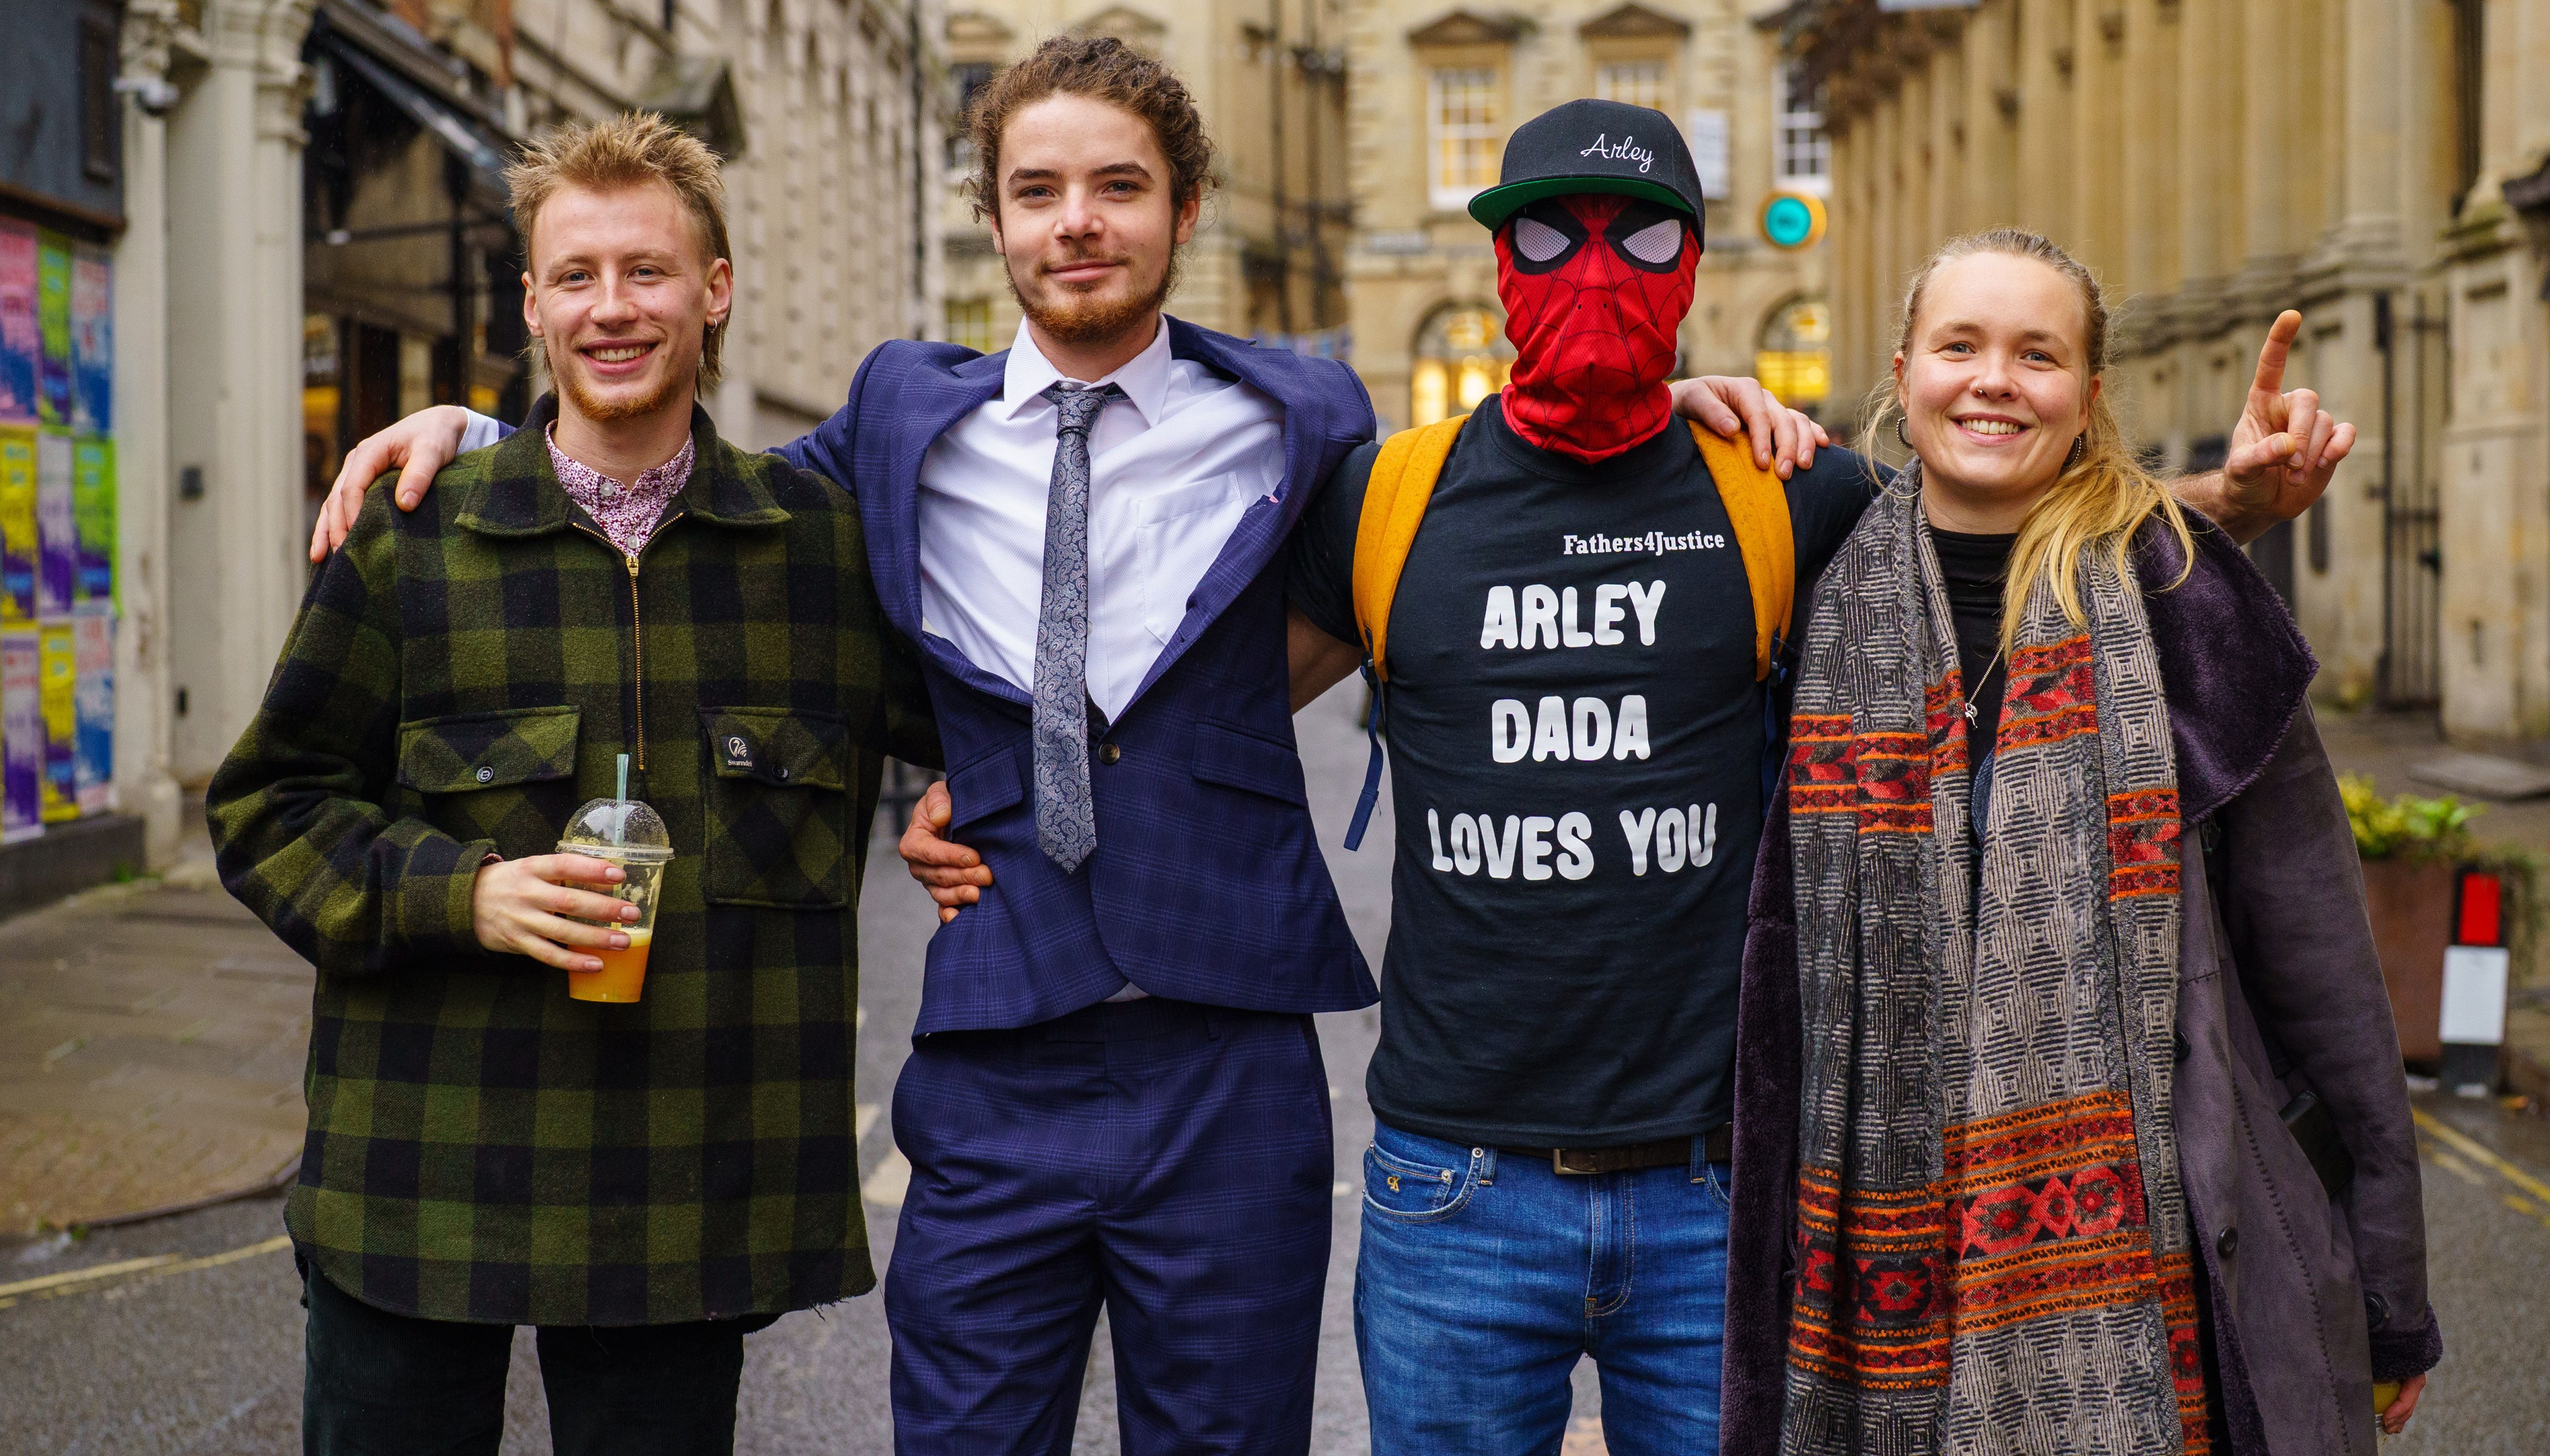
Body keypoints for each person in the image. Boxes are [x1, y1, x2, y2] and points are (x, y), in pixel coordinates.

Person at [303, 45, 1821, 1455]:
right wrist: (486, 430)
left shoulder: (1302, 416)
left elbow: (1511, 473)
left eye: (1116, 188)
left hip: (1229, 1051)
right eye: (1037, 192)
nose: (1076, 225)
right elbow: (688, 479)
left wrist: (1675, 406)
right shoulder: (900, 415)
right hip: (993, 1048)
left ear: (1182, 210)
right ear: (995, 220)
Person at [920, 100, 2356, 1454]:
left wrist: (2225, 504)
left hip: (1714, 1187)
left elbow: (2004, 537)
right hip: (1452, 1190)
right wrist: (968, 780)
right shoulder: (1383, 497)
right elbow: (1176, 713)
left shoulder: (1788, 494)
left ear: (1693, 264)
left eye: (1640, 234)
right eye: (1549, 233)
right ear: (1497, 262)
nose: (1591, 271)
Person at [207, 114, 932, 1455]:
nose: (614, 308)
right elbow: (270, 811)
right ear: (532, 301)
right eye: (578, 276)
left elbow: (991, 727)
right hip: (419, 1179)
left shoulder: (823, 552)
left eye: (648, 272)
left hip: (680, 1199)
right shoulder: (416, 541)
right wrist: (460, 898)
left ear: (713, 291)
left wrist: (959, 791)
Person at [1739, 228, 2436, 1456]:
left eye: (2037, 354)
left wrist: (2388, 1296)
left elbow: (2322, 961)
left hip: (2166, 1255)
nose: (1994, 380)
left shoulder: (2185, 603)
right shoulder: (1808, 588)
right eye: (1960, 346)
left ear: (2089, 397)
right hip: (1875, 1263)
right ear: (1901, 376)